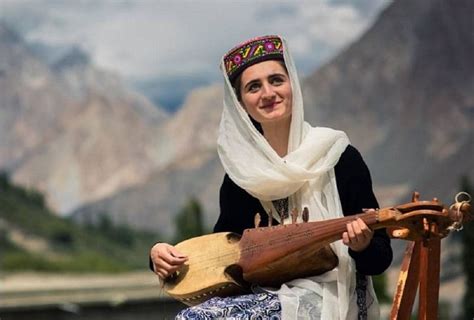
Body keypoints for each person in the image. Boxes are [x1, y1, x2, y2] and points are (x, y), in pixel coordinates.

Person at [149, 35, 392, 319]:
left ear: (292, 86)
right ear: (241, 104)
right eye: (254, 87)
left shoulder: (339, 157)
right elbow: (223, 259)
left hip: (333, 298)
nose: (268, 93)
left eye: (276, 80)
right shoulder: (241, 177)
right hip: (265, 297)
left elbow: (380, 259)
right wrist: (160, 256)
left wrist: (362, 246)